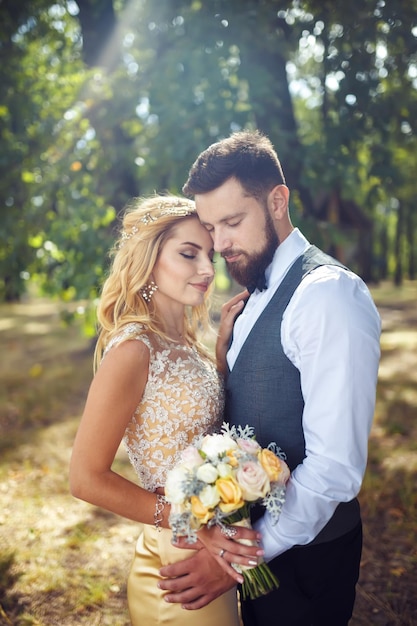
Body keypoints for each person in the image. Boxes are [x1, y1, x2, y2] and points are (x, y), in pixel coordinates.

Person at [158, 131, 382, 626]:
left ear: (277, 201)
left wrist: (242, 557)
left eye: (232, 223)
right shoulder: (251, 291)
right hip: (259, 552)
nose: (219, 245)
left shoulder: (328, 297)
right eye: (211, 227)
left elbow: (335, 469)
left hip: (306, 558)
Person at [69, 194, 262, 626]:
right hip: (179, 553)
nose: (208, 270)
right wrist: (194, 525)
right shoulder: (134, 349)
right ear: (150, 259)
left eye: (209, 255)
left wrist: (221, 357)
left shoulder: (188, 343)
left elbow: (199, 424)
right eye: (188, 253)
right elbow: (84, 478)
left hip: (212, 541)